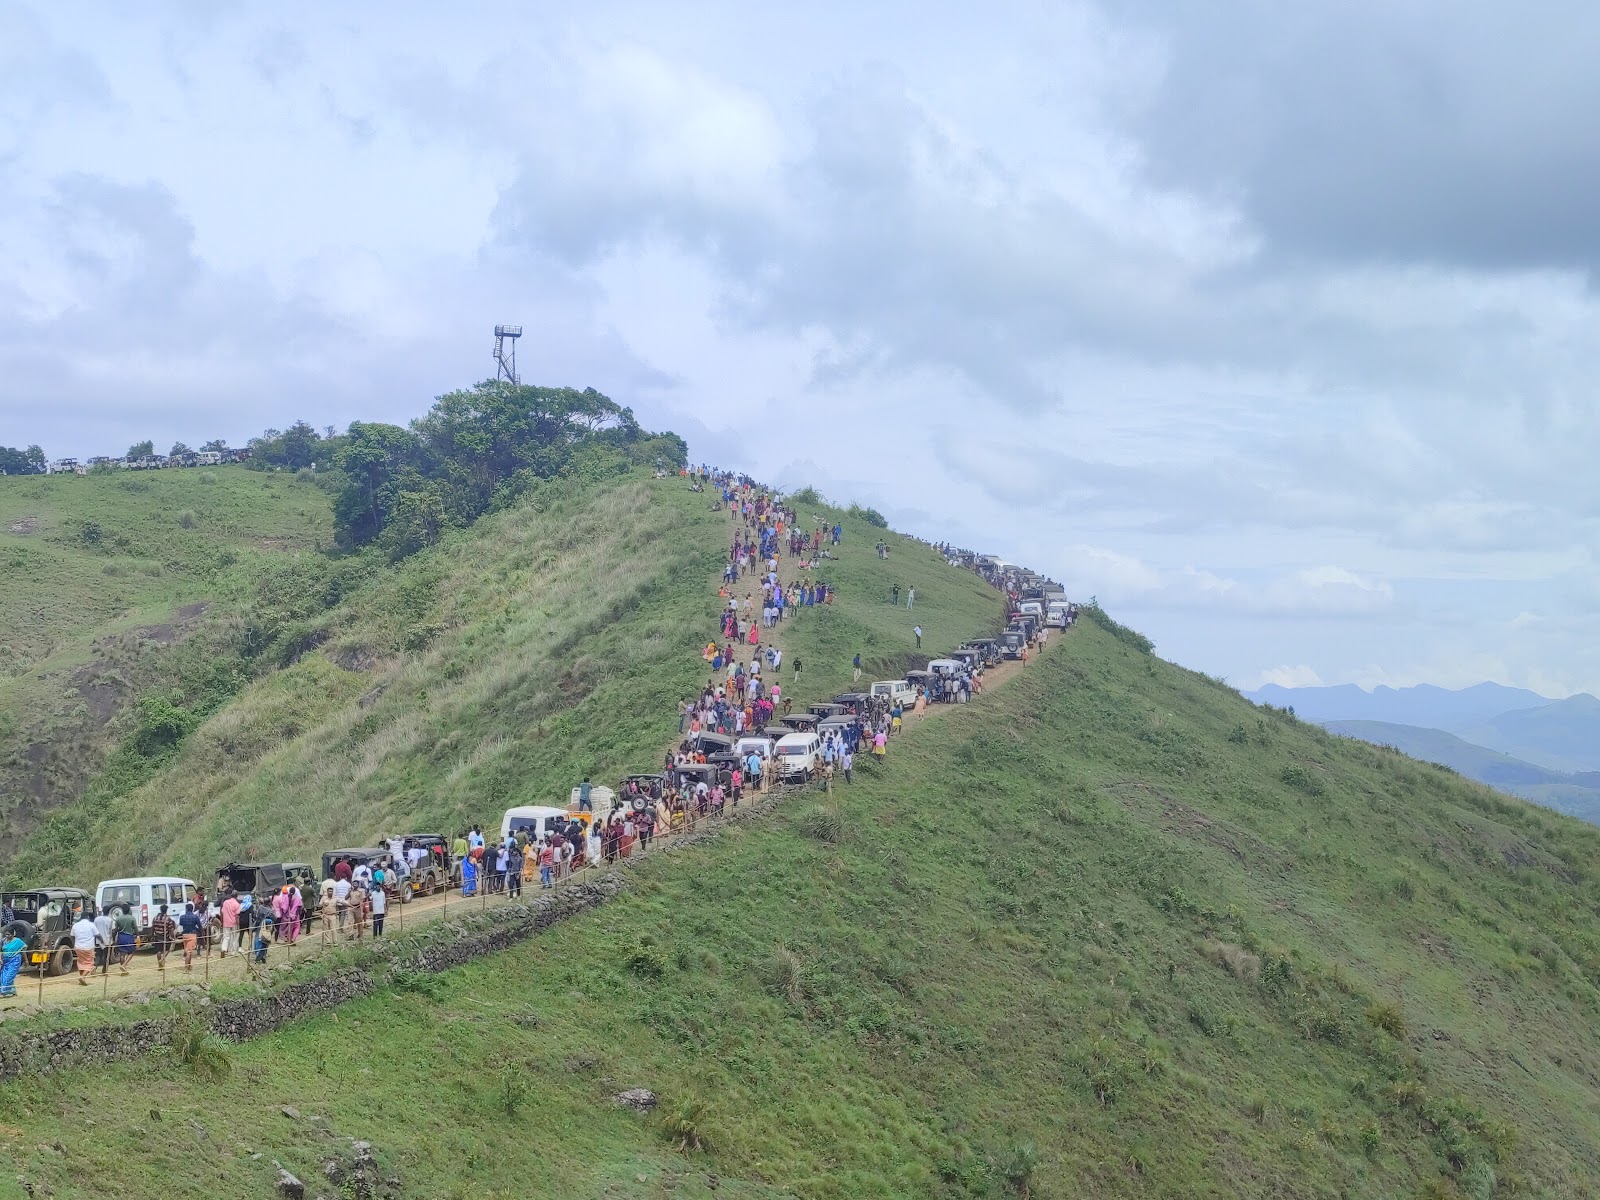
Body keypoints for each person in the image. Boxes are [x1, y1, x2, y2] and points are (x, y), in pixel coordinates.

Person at [70, 910, 98, 985]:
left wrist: (73, 945)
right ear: (88, 917)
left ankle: (82, 978)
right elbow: (97, 934)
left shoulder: (75, 925)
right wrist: (102, 942)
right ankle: (82, 977)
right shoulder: (91, 925)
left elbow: (72, 936)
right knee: (90, 963)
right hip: (88, 947)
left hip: (78, 947)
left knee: (81, 962)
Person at [149, 904, 177, 973]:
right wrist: (173, 937)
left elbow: (152, 927)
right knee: (167, 949)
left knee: (158, 951)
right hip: (165, 937)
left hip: (157, 936)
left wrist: (152, 935)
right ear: (166, 910)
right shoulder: (168, 919)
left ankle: (160, 965)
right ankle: (162, 959)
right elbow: (170, 929)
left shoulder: (155, 918)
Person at [0, 925, 24, 998]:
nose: (7, 936)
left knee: (9, 976)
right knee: (2, 977)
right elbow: (1, 951)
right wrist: (0, 959)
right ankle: (12, 991)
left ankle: (4, 992)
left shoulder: (18, 941)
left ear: (13, 934)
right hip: (5, 961)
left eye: (9, 934)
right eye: (6, 934)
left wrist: (26, 961)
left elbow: (23, 950)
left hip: (15, 961)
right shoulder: (3, 941)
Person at [113, 905, 139, 974]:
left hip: (121, 937)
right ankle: (124, 965)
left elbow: (116, 929)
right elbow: (135, 928)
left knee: (122, 953)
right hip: (129, 937)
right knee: (132, 952)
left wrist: (113, 937)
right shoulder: (132, 918)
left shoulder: (118, 919)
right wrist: (137, 935)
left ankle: (123, 968)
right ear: (129, 910)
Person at [178, 903, 203, 972]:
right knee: (189, 952)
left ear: (186, 909)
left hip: (185, 935)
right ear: (192, 909)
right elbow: (199, 926)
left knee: (187, 950)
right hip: (192, 934)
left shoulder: (182, 917)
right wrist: (202, 933)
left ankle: (189, 965)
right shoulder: (195, 917)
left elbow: (181, 923)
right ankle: (186, 967)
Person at [93, 905, 113, 975]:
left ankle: (94, 968)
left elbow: (94, 929)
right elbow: (111, 931)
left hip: (98, 940)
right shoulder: (110, 920)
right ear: (109, 912)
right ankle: (104, 970)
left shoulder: (96, 919)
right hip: (107, 940)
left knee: (98, 955)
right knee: (107, 956)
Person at [220, 891, 241, 957]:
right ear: (236, 896)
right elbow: (237, 916)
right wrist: (238, 925)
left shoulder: (225, 902)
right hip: (233, 922)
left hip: (226, 922)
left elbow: (222, 912)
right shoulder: (237, 904)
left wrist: (222, 921)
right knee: (234, 937)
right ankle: (233, 951)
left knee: (226, 937)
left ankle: (224, 949)